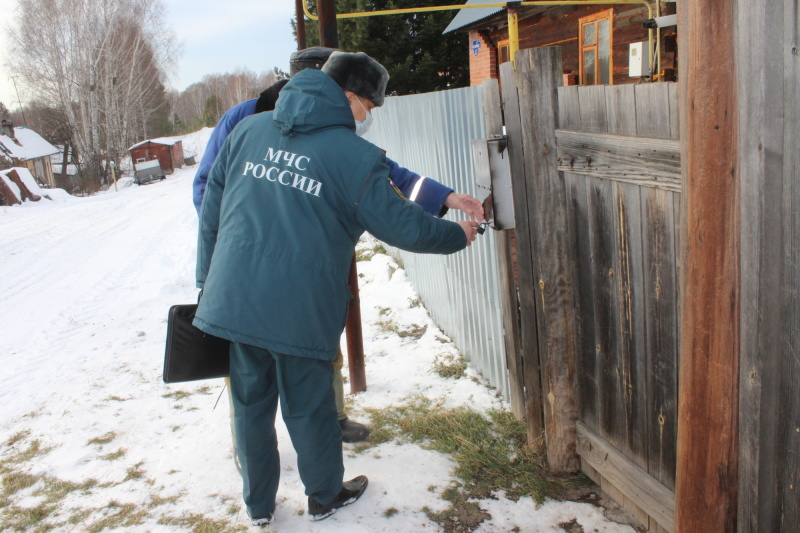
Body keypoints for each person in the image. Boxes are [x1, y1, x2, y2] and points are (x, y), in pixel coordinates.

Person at [194, 51, 479, 525]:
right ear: (349, 97)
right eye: (371, 107)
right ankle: (325, 496)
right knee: (310, 408)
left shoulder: (249, 131)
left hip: (237, 301)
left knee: (250, 409)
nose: (370, 118)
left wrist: (208, 284)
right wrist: (458, 234)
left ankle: (259, 507)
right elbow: (403, 226)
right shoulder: (352, 155)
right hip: (299, 307)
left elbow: (211, 217)